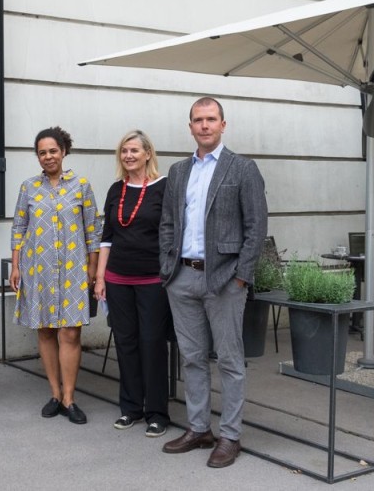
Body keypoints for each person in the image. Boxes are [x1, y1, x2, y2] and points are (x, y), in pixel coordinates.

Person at [159, 97, 267, 468]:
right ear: (190, 126)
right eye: (198, 120)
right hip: (182, 277)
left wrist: (241, 277)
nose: (204, 126)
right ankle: (199, 428)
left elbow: (256, 227)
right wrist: (166, 268)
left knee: (230, 360)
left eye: (211, 119)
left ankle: (231, 436)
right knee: (191, 358)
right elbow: (168, 223)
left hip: (223, 279)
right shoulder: (178, 171)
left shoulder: (243, 169)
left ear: (223, 124)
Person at [9, 127, 101, 425]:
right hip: (39, 270)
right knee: (46, 330)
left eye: (52, 150)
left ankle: (70, 398)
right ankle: (54, 393)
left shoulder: (81, 186)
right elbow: (18, 228)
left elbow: (93, 232)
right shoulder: (28, 188)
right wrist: (15, 266)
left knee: (70, 332)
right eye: (42, 152)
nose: (48, 156)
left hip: (74, 270)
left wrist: (92, 267)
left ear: (63, 151)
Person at [94, 130, 172, 438]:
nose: (128, 155)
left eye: (134, 150)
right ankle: (130, 408)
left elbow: (171, 234)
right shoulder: (116, 189)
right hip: (117, 279)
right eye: (124, 150)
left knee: (152, 343)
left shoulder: (164, 187)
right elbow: (107, 237)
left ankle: (157, 412)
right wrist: (100, 277)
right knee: (125, 343)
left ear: (148, 153)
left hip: (153, 279)